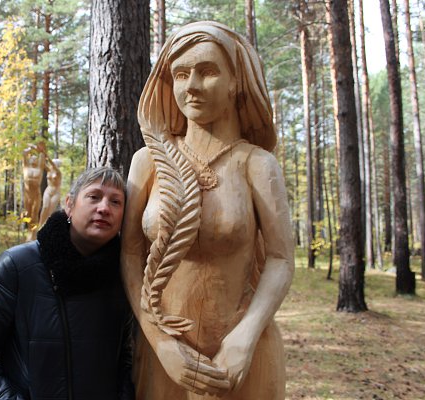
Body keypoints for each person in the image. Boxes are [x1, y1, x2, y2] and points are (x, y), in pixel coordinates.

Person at [121, 21, 294, 400]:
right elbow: (131, 254)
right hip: (166, 355)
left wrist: (245, 337)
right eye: (181, 74)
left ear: (235, 82)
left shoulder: (257, 164)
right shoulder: (148, 162)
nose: (192, 86)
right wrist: (162, 344)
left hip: (242, 354)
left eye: (208, 71)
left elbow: (281, 259)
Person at [0, 166, 134, 400]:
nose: (104, 208)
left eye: (116, 202)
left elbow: (127, 357)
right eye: (94, 196)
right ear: (69, 205)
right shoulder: (18, 266)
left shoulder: (125, 276)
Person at [23, 143, 46, 240]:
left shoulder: (39, 168)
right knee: (28, 214)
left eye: (35, 158)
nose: (33, 159)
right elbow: (24, 154)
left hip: (36, 194)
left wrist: (37, 148)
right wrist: (30, 147)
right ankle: (29, 232)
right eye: (32, 158)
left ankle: (33, 234)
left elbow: (42, 154)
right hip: (27, 195)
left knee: (35, 214)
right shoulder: (26, 168)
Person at [38, 157, 63, 230]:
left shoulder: (58, 172)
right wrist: (42, 153)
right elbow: (42, 164)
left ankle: (47, 227)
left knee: (50, 211)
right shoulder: (49, 170)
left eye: (54, 164)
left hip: (56, 193)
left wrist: (47, 156)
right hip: (48, 191)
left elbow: (52, 165)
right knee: (45, 207)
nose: (52, 165)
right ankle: (40, 226)